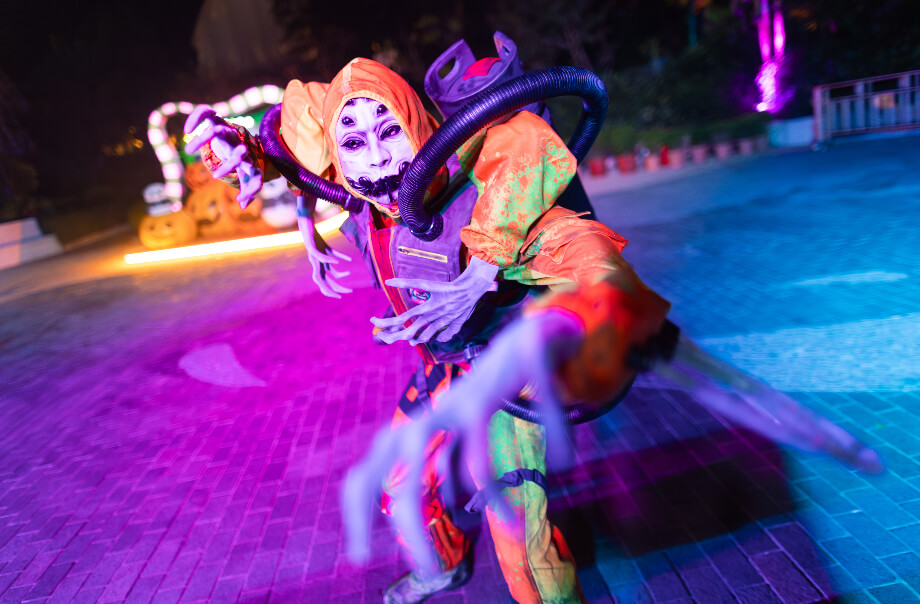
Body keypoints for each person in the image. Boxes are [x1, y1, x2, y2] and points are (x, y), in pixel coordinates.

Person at [187, 57, 882, 604]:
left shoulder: (486, 205)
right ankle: (442, 564)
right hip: (443, 368)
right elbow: (291, 125)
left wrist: (487, 274)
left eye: (389, 133)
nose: (374, 160)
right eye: (354, 143)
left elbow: (587, 257)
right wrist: (239, 153)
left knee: (519, 536)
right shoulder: (351, 176)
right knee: (403, 485)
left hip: (502, 374)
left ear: (419, 129)